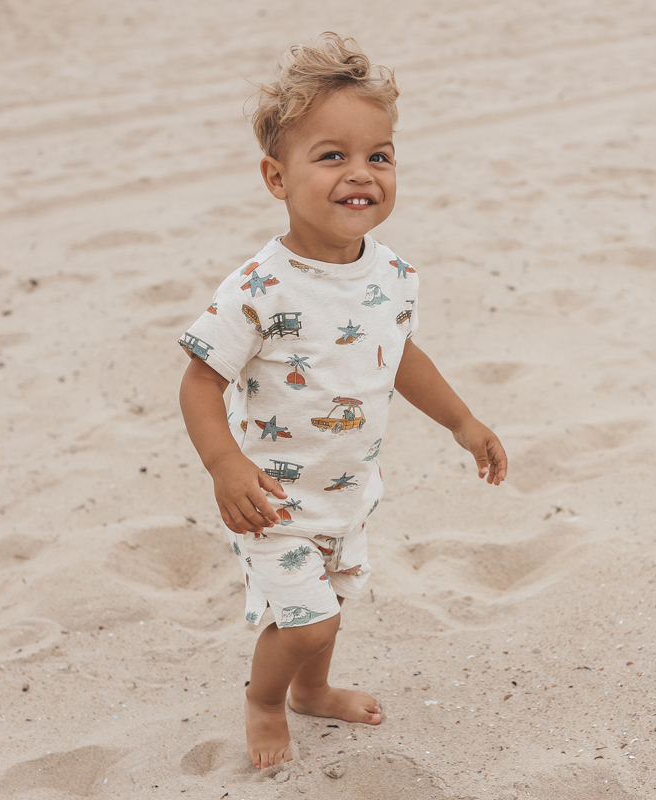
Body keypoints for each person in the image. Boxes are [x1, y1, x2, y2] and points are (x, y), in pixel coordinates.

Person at [178, 32, 508, 771]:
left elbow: (399, 354)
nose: (361, 174)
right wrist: (224, 465)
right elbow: (200, 379)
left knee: (327, 606)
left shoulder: (391, 274)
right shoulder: (261, 286)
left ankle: (312, 690)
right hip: (271, 499)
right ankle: (266, 700)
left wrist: (462, 421)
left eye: (378, 157)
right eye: (332, 156)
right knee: (306, 621)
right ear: (277, 176)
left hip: (346, 489)